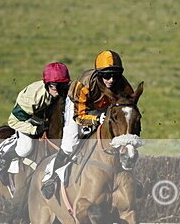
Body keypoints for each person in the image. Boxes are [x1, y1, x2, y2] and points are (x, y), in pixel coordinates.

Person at [41, 50, 134, 199]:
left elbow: (129, 106)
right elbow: (79, 117)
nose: (111, 80)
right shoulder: (83, 85)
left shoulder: (122, 84)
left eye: (115, 75)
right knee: (70, 145)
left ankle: (128, 176)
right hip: (78, 107)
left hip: (103, 107)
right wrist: (97, 120)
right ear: (98, 74)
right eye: (106, 75)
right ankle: (50, 176)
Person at [0, 62, 71, 183]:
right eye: (54, 87)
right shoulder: (32, 97)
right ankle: (3, 157)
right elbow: (13, 121)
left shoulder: (65, 92)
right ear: (47, 85)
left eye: (62, 86)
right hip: (27, 119)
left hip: (45, 119)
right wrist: (35, 130)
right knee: (25, 149)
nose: (59, 91)